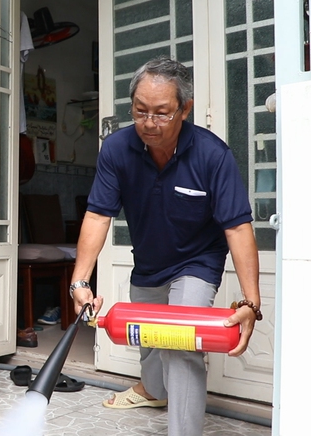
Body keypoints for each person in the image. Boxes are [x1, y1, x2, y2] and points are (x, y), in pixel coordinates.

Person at [69, 56, 261, 436]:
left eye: (161, 114)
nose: (149, 124)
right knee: (149, 340)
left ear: (185, 110)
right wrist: (79, 281)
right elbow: (97, 215)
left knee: (182, 341)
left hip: (197, 261)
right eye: (140, 112)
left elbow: (237, 229)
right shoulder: (117, 149)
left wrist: (252, 303)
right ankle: (152, 390)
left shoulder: (212, 155)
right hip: (150, 262)